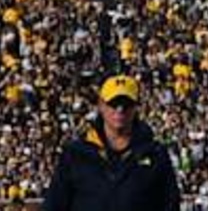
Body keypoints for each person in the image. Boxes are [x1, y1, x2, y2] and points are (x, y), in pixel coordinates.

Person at [46, 74, 181, 211]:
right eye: (113, 103)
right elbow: (54, 205)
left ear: (136, 107)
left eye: (126, 104)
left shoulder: (156, 154)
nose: (120, 109)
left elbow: (170, 205)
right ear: (101, 105)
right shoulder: (76, 154)